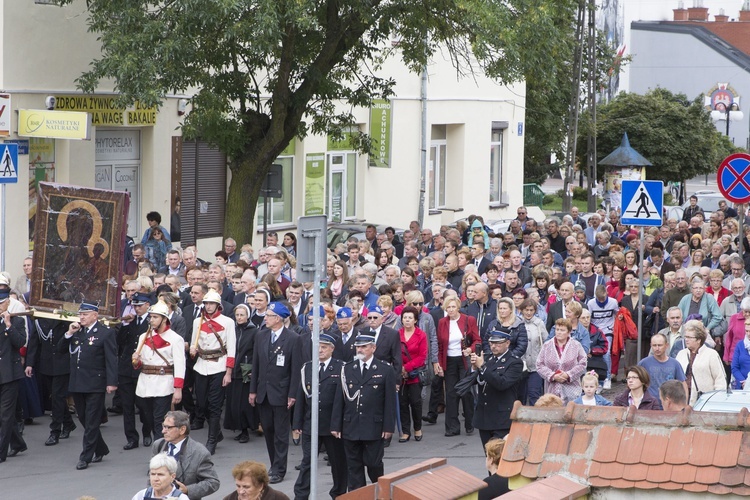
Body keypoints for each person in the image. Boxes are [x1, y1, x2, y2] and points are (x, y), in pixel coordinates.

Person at [331, 332, 396, 492]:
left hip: (373, 425)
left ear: (373, 348)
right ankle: (359, 495)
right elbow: (340, 399)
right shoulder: (346, 369)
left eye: (364, 346)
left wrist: (388, 427)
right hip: (350, 425)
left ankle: (380, 491)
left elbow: (389, 402)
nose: (359, 350)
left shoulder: (384, 369)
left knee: (374, 464)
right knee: (354, 467)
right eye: (358, 346)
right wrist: (336, 425)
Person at [58, 302, 118, 470]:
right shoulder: (77, 333)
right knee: (83, 418)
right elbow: (61, 349)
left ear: (94, 315)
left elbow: (111, 359)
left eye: (85, 314)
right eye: (81, 314)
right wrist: (69, 333)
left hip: (95, 383)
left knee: (92, 421)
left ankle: (86, 456)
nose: (82, 317)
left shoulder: (105, 333)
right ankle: (101, 448)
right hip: (78, 382)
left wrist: (112, 382)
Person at [249, 302, 301, 484]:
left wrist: (292, 394)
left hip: (281, 392)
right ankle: (273, 464)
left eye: (268, 315)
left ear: (277, 318)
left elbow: (295, 369)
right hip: (264, 391)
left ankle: (279, 469)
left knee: (280, 433)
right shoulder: (261, 335)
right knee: (268, 429)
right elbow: (256, 364)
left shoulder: (293, 338)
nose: (265, 318)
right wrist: (253, 390)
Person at [292, 333, 347, 500]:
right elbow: (301, 396)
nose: (320, 350)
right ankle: (301, 495)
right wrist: (297, 423)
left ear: (332, 349)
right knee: (307, 462)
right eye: (318, 347)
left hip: (332, 426)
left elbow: (342, 401)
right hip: (311, 424)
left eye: (324, 347)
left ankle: (338, 493)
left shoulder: (341, 367)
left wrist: (338, 426)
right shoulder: (307, 367)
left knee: (338, 464)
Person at [132, 300, 187, 446]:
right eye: (150, 317)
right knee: (147, 418)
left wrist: (178, 389)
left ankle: (159, 456)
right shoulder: (143, 337)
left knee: (159, 421)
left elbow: (180, 365)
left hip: (163, 383)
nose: (151, 320)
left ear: (164, 319)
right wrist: (136, 361)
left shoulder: (176, 339)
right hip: (144, 383)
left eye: (155, 317)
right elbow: (139, 363)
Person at [189, 290, 236, 454]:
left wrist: (228, 372)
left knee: (214, 405)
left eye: (211, 304)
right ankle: (217, 432)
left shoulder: (228, 322)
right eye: (206, 303)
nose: (208, 307)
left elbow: (231, 349)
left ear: (218, 305)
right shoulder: (197, 321)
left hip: (219, 365)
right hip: (201, 365)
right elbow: (194, 342)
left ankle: (211, 440)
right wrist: (192, 349)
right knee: (201, 403)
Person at [26, 318, 76, 446]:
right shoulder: (40, 320)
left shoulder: (65, 319)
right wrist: (29, 363)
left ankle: (55, 431)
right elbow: (34, 342)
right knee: (55, 397)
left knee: (58, 397)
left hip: (62, 363)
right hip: (46, 363)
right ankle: (69, 423)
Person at [434, 296, 480, 435]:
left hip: (464, 360)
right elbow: (440, 345)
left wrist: (470, 349)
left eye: (453, 307)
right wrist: (439, 364)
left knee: (465, 392)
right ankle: (452, 428)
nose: (451, 310)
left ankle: (470, 423)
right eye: (448, 307)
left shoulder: (468, 320)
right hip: (449, 360)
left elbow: (477, 340)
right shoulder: (442, 322)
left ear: (458, 307)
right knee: (451, 393)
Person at [470, 329, 524, 447]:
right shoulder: (488, 359)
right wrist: (474, 368)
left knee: (499, 456)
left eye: (498, 343)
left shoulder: (515, 362)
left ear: (507, 343)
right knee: (489, 457)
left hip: (501, 419)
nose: (494, 347)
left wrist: (482, 367)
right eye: (491, 343)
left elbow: (501, 383)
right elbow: (469, 382)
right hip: (484, 417)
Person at [152, 410, 221, 499]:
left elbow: (213, 482)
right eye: (163, 426)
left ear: (182, 429)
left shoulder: (199, 452)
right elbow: (152, 473)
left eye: (168, 427)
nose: (163, 431)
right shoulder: (158, 445)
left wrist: (187, 490)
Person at [118, 292, 153, 450]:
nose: (137, 309)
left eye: (140, 305)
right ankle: (131, 437)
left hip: (142, 369)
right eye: (135, 306)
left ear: (147, 305)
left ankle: (147, 432)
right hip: (126, 368)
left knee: (143, 405)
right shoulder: (130, 322)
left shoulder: (152, 322)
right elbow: (120, 342)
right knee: (127, 406)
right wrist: (125, 325)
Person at [224, 304, 259, 443]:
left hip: (246, 369)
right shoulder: (233, 330)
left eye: (242, 315)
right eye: (237, 315)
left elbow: (256, 353)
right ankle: (239, 428)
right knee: (233, 402)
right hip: (233, 370)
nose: (239, 317)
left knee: (244, 404)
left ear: (248, 316)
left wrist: (253, 370)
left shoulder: (254, 331)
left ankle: (246, 430)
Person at [0, 289, 27, 462]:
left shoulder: (17, 321)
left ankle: (1, 452)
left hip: (10, 374)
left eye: (0, 304)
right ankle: (17, 443)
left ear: (7, 304)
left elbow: (20, 342)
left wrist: (8, 325)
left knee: (6, 414)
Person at [536, 318, 587, 404]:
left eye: (562, 330)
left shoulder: (576, 345)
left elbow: (583, 363)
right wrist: (552, 376)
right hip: (552, 390)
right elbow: (539, 365)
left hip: (572, 389)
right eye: (557, 329)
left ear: (569, 332)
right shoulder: (547, 345)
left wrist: (568, 375)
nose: (559, 332)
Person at [675, 320, 727, 405]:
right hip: (682, 402)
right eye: (685, 337)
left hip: (704, 403)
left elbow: (720, 380)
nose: (686, 340)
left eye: (689, 337)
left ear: (699, 339)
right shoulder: (681, 354)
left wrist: (715, 401)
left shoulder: (711, 354)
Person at [398, 306, 427, 443]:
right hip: (400, 374)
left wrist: (407, 368)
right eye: (405, 317)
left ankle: (417, 428)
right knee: (402, 403)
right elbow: (394, 354)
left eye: (410, 318)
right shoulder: (397, 334)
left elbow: (422, 357)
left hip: (414, 374)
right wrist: (400, 369)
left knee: (416, 402)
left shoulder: (421, 335)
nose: (407, 320)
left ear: (415, 320)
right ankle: (405, 431)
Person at [637, 332, 686, 405]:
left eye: (660, 345)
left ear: (666, 345)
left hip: (669, 405)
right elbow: (635, 382)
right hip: (648, 405)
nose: (657, 348)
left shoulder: (675, 364)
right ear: (651, 345)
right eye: (654, 345)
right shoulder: (643, 363)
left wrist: (684, 404)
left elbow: (683, 384)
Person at [224, 460, 289, 500]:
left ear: (260, 486)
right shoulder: (229, 499)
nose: (241, 492)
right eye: (238, 486)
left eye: (246, 487)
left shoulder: (279, 498)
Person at [731, 320, 750, 389]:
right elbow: (734, 367)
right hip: (742, 387)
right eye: (746, 331)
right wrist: (744, 382)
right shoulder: (740, 345)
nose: (748, 334)